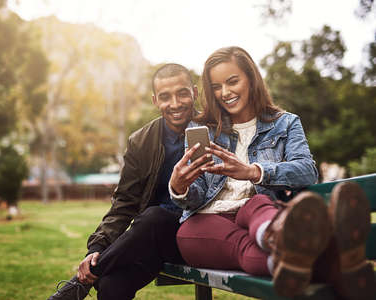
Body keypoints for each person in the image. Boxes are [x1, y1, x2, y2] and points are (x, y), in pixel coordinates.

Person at [169, 46, 375, 299]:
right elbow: (196, 195)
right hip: (209, 223)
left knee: (257, 202)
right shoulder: (202, 129)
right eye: (216, 87)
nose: (225, 93)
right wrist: (180, 187)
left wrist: (255, 172)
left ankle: (281, 240)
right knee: (191, 233)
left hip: (260, 213)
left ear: (251, 78)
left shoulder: (285, 123)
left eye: (233, 81)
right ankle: (330, 261)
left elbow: (307, 171)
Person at [48, 63, 204, 300]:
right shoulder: (141, 142)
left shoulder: (215, 129)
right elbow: (125, 202)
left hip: (199, 237)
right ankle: (94, 274)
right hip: (153, 241)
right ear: (154, 101)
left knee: (154, 216)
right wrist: (97, 248)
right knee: (111, 285)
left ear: (195, 91)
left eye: (182, 93)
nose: (175, 104)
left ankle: (78, 285)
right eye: (165, 97)